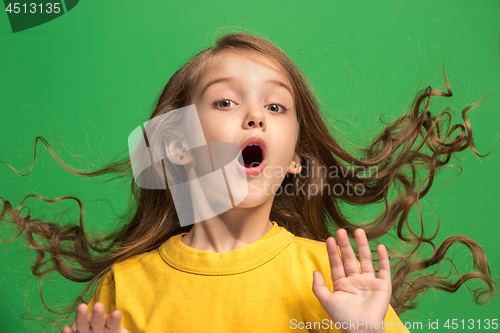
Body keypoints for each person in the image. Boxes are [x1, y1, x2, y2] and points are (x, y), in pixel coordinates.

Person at [0, 30, 495, 333]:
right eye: (225, 102)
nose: (255, 115)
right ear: (177, 147)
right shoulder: (123, 288)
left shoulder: (336, 278)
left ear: (297, 159)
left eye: (276, 106)